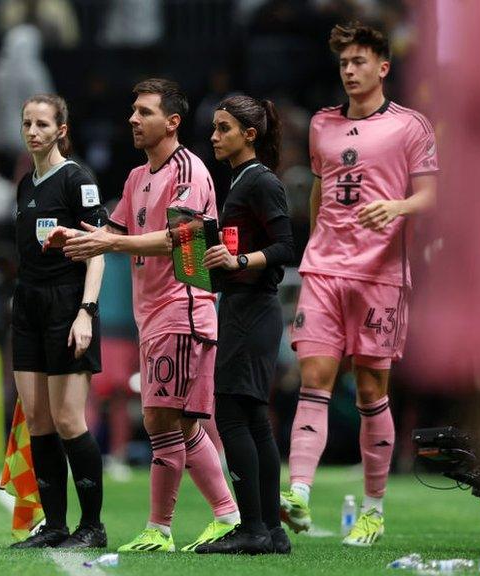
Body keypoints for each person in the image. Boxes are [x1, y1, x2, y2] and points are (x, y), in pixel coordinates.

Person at [50, 78, 240, 553]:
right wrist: (72, 239)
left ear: (172, 122)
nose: (133, 119)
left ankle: (176, 524)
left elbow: (179, 238)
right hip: (151, 314)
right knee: (177, 423)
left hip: (185, 306)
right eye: (133, 111)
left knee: (161, 418)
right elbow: (110, 231)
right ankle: (215, 517)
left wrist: (110, 241)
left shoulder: (188, 171)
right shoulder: (138, 178)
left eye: (144, 111)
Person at [280, 22, 438, 548]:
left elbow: (430, 196)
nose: (349, 71)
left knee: (371, 390)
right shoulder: (322, 125)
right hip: (325, 269)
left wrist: (396, 207)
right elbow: (319, 195)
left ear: (383, 67)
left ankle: (372, 510)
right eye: (344, 63)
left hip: (380, 275)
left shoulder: (411, 126)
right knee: (314, 378)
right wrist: (311, 250)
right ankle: (298, 493)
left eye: (359, 62)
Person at [193, 95, 295, 554]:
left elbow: (286, 246)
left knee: (233, 414)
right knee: (253, 418)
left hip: (254, 307)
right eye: (215, 128)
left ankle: (253, 527)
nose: (214, 136)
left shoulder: (261, 182)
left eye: (224, 128)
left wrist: (237, 259)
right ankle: (270, 531)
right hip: (241, 304)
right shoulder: (240, 181)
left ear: (249, 135)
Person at [8, 94, 107, 549]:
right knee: (39, 420)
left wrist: (86, 312)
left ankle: (93, 527)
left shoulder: (77, 179)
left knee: (70, 420)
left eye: (42, 124)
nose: (32, 131)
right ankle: (55, 526)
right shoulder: (25, 183)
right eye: (27, 123)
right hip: (27, 305)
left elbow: (99, 250)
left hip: (67, 304)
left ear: (61, 129)